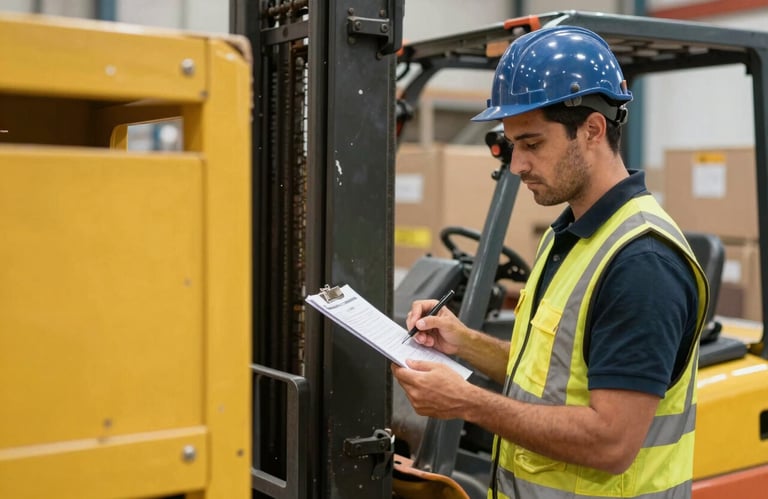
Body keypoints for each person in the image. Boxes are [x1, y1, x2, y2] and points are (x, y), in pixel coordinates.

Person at [391, 25, 710, 499]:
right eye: (512, 145)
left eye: (532, 144)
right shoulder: (569, 236)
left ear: (592, 130)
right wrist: (464, 343)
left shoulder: (641, 263)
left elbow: (611, 442)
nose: (517, 164)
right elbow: (549, 375)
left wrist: (467, 402)